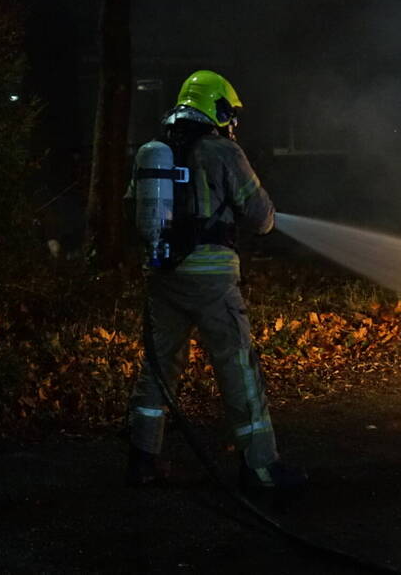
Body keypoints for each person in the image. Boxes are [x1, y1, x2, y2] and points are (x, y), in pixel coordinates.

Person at [123, 70, 306, 492]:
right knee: (238, 366)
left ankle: (142, 459)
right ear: (215, 107)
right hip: (211, 282)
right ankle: (261, 468)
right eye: (228, 112)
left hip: (163, 276)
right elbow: (260, 219)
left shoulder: (153, 152)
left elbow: (133, 210)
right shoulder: (224, 152)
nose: (230, 121)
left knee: (157, 368)